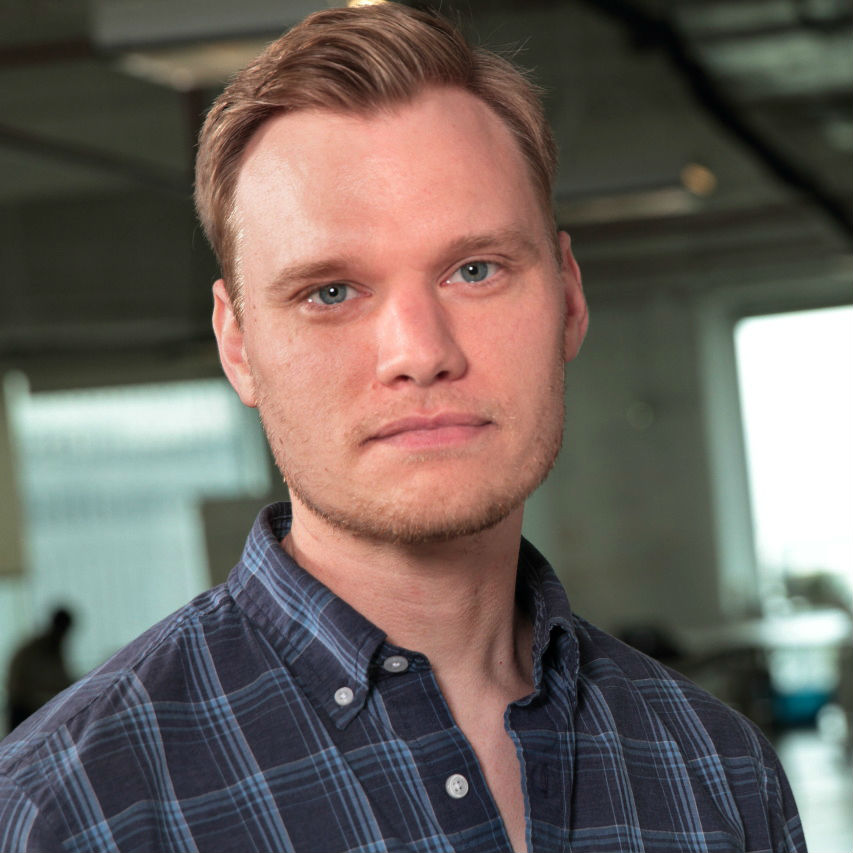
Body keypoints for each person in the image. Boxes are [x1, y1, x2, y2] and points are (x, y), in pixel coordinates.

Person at [0, 5, 805, 852]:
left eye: (475, 269)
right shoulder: (64, 813)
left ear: (567, 296)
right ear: (237, 345)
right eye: (331, 292)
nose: (420, 353)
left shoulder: (715, 772)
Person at [5, 608, 74, 733]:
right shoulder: (35, 650)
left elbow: (60, 680)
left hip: (36, 709)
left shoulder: (53, 649)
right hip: (24, 710)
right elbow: (21, 686)